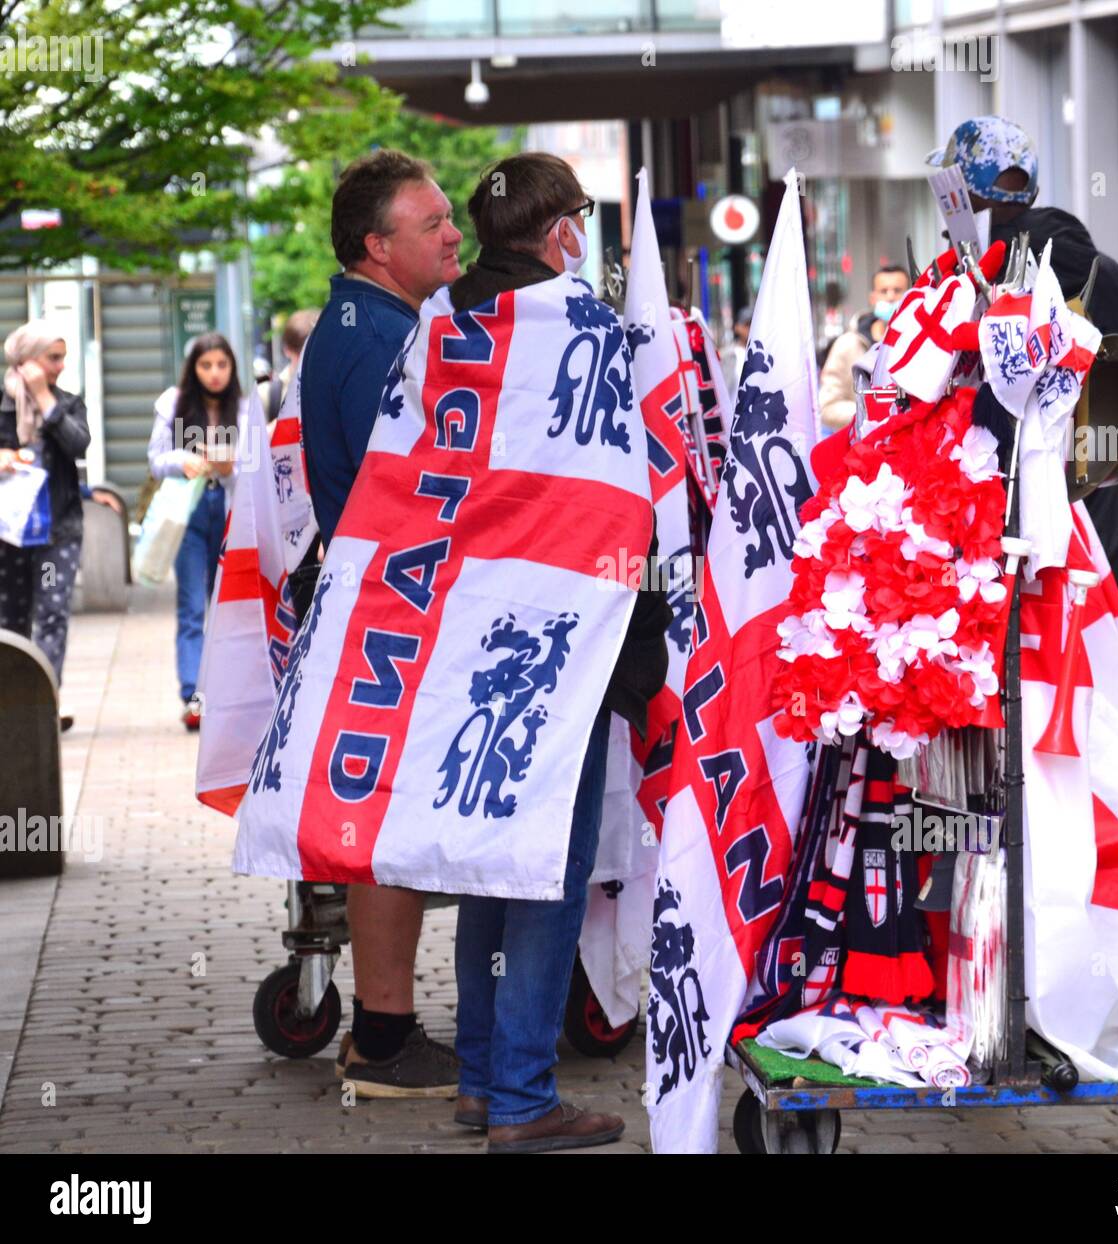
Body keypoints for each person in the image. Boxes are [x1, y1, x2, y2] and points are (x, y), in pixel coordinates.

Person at [449, 152, 670, 1153]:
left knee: (490, 858)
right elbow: (618, 486)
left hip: (460, 632)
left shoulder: (438, 323)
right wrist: (641, 658)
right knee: (544, 866)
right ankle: (523, 1095)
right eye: (577, 218)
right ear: (560, 231)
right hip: (564, 633)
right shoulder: (578, 323)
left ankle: (480, 1075)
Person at [298, 148, 465, 1099]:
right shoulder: (376, 337)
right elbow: (403, 487)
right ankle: (387, 1037)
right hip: (395, 610)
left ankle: (386, 1032)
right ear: (376, 244)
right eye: (431, 222)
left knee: (389, 828)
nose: (452, 234)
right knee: (389, 831)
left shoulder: (379, 319)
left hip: (385, 604)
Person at [928, 115, 1118, 649]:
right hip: (1090, 478)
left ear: (963, 187)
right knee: (1107, 658)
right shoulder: (1086, 257)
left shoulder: (972, 268)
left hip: (1006, 499)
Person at [147, 332, 244, 728]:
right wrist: (183, 460)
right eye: (206, 366)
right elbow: (155, 458)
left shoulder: (245, 405)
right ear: (193, 369)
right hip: (188, 509)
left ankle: (225, 693)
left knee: (225, 604)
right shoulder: (175, 402)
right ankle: (194, 696)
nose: (215, 374)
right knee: (191, 605)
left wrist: (230, 466)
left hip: (230, 507)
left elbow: (256, 460)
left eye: (222, 365)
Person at [0, 320, 91, 728]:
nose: (60, 367)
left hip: (55, 535)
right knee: (12, 618)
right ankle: (12, 703)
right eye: (52, 358)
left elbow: (78, 443)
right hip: (10, 537)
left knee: (52, 610)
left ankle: (45, 702)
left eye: (62, 358)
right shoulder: (2, 406)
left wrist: (42, 396)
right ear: (26, 359)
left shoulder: (67, 404)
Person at [818, 264, 909, 431]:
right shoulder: (848, 344)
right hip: (864, 449)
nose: (890, 297)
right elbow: (827, 406)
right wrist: (871, 412)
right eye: (883, 291)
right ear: (873, 298)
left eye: (897, 290)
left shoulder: (921, 343)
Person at [258, 308, 319, 426]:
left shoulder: (339, 392)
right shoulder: (267, 394)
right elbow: (253, 441)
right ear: (287, 350)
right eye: (302, 353)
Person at [721, 305, 751, 396]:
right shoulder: (729, 354)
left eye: (753, 324)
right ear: (737, 327)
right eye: (747, 325)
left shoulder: (763, 354)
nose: (750, 328)